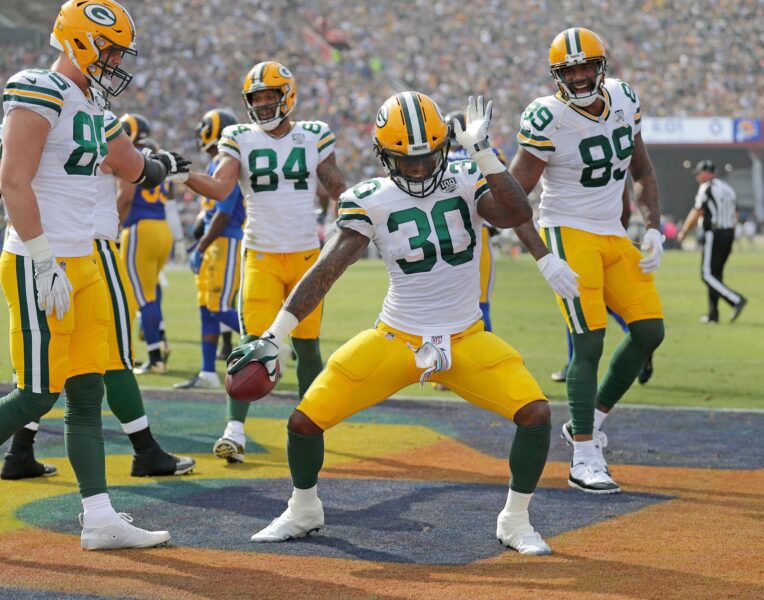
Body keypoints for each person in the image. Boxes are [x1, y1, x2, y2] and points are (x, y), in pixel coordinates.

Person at [234, 92, 582, 556]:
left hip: (465, 337)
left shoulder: (465, 175)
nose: (418, 169)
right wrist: (274, 335)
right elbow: (326, 269)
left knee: (536, 414)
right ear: (383, 156)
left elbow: (515, 214)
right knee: (303, 421)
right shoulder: (370, 198)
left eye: (426, 157)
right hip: (396, 337)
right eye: (406, 160)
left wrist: (483, 154)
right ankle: (304, 510)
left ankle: (514, 519)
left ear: (444, 147)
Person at [0, 0, 189, 548]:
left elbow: (134, 167)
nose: (114, 61)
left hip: (84, 259)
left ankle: (100, 517)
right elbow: (13, 182)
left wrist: (165, 163)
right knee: (37, 395)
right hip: (42, 259)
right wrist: (40, 258)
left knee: (86, 393)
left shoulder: (96, 109)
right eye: (108, 48)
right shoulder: (39, 87)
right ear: (81, 41)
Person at [509, 28, 665, 494]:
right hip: (567, 230)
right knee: (589, 341)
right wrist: (541, 257)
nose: (578, 77)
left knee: (649, 331)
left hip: (612, 234)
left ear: (602, 66)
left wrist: (653, 224)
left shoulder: (623, 97)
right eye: (568, 70)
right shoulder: (547, 116)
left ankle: (590, 419)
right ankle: (582, 455)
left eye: (585, 67)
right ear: (557, 75)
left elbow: (642, 169)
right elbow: (514, 199)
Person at [2, 109, 195, 480]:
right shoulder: (93, 120)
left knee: (46, 367)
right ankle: (145, 449)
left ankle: (20, 452)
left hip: (46, 246)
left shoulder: (42, 122)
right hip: (91, 249)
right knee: (113, 357)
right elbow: (134, 171)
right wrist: (160, 163)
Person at [180, 61, 347, 464]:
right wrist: (179, 172)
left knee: (307, 347)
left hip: (308, 257)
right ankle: (234, 430)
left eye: (271, 96)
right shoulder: (239, 137)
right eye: (257, 98)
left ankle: (312, 420)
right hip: (261, 255)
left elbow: (337, 186)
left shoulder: (314, 135)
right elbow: (221, 187)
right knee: (251, 343)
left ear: (286, 96)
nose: (264, 104)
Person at [175, 108, 245, 390]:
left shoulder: (227, 163)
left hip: (225, 242)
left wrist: (201, 246)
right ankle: (207, 372)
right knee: (206, 307)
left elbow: (224, 212)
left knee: (218, 306)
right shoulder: (217, 162)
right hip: (215, 244)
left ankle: (270, 343)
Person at [118, 113, 174, 374]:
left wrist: (115, 223)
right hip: (162, 228)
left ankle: (155, 357)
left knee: (141, 296)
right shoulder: (156, 153)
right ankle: (160, 339)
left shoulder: (131, 153)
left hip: (139, 228)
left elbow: (126, 196)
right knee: (151, 291)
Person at [444, 110, 507, 332]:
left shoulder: (437, 158)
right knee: (481, 306)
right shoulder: (487, 153)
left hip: (442, 236)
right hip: (478, 233)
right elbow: (504, 185)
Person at [677, 160, 747, 323]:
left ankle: (736, 300)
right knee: (716, 275)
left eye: (699, 173)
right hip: (728, 232)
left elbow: (697, 211)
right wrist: (732, 238)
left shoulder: (706, 187)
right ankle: (713, 315)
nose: (697, 177)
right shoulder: (728, 189)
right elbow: (735, 215)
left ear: (709, 173)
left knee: (707, 274)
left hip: (714, 233)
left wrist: (684, 231)